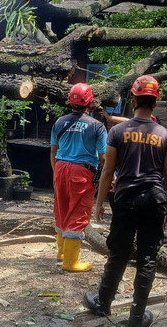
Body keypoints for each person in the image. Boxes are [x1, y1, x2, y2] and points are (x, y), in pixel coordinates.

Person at [84, 75, 167, 327]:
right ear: (154, 102)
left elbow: (107, 171)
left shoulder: (117, 131)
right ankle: (137, 317)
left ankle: (103, 304)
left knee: (119, 253)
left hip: (125, 200)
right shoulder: (165, 135)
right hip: (155, 200)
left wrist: (99, 202)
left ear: (133, 99)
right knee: (148, 257)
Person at [50, 83, 107, 273]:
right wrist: (107, 177)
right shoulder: (97, 126)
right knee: (78, 213)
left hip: (60, 168)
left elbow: (53, 151)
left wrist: (55, 172)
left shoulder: (59, 122)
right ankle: (71, 263)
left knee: (62, 208)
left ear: (70, 102)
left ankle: (62, 254)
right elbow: (104, 157)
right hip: (81, 171)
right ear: (89, 103)